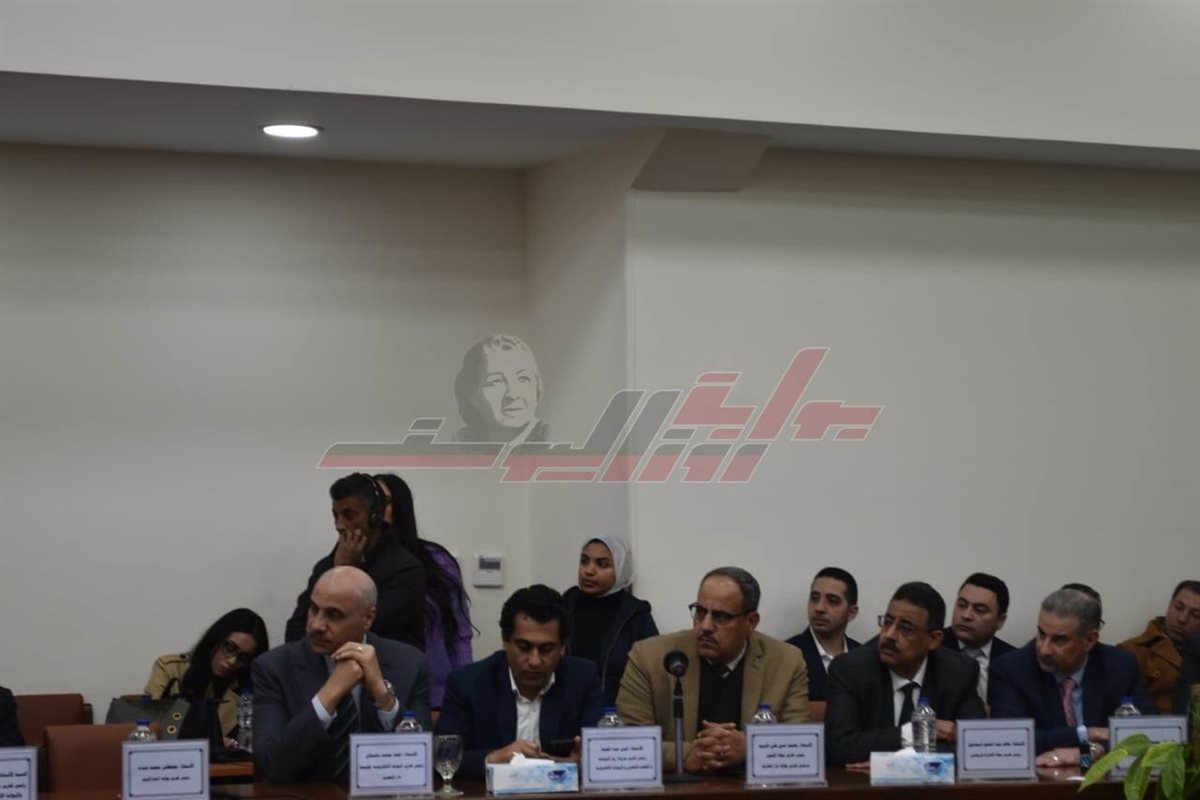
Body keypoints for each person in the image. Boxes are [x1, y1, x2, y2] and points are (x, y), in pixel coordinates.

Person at [617, 567, 809, 775]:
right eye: (700, 612)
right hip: (678, 789)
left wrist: (750, 749)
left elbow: (800, 745)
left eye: (721, 617)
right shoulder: (649, 657)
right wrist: (688, 755)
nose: (705, 626)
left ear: (751, 622)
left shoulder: (786, 662)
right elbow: (629, 743)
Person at [254, 566, 431, 784]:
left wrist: (381, 694)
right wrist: (329, 694)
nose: (317, 625)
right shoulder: (274, 667)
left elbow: (423, 762)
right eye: (313, 609)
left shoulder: (409, 664)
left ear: (368, 617)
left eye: (334, 615)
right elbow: (272, 765)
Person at [435, 585, 603, 779]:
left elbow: (600, 754)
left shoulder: (583, 679)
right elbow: (442, 756)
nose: (534, 661)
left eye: (547, 649)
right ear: (505, 641)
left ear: (563, 647)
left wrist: (577, 765)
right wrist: (494, 758)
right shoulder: (467, 683)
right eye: (524, 647)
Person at [825, 582, 985, 766]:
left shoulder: (959, 672)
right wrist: (914, 733)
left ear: (933, 639)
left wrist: (893, 763)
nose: (889, 635)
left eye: (906, 628)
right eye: (887, 622)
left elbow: (976, 748)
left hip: (934, 784)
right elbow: (837, 746)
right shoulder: (850, 669)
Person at [990, 588, 1155, 765]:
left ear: (1090, 640)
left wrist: (1091, 751)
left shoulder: (1119, 666)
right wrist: (1087, 733)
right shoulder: (1012, 669)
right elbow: (1011, 741)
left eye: (1059, 640)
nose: (1044, 649)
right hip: (1041, 776)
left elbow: (1148, 733)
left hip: (1103, 777)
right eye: (1041, 634)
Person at [285, 473, 426, 649]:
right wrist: (337, 570)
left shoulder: (406, 570)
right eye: (335, 515)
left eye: (349, 515)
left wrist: (344, 575)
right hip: (324, 664)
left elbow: (364, 632)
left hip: (381, 664)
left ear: (376, 517)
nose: (339, 525)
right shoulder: (327, 566)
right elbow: (294, 632)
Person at [373, 472, 475, 708]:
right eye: (371, 502)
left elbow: (460, 633)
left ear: (400, 507)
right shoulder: (353, 564)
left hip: (436, 694)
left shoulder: (437, 560)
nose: (377, 509)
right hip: (376, 694)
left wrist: (467, 692)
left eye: (384, 501)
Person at [144, 608, 269, 745]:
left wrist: (233, 743)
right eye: (229, 648)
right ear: (216, 639)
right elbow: (149, 729)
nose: (232, 661)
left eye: (243, 657)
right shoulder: (170, 669)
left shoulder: (246, 691)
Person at [562, 536, 658, 706]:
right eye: (584, 561)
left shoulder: (635, 615)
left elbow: (652, 671)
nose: (589, 571)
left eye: (602, 564)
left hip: (616, 714)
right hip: (566, 709)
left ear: (621, 570)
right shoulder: (566, 605)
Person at [1119, 580, 1200, 713]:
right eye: (1178, 608)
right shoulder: (1132, 651)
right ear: (1169, 607)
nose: (1182, 619)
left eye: (1196, 615)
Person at [453, 334, 549, 444]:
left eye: (523, 379)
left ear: (537, 387)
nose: (513, 394)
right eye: (496, 381)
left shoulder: (553, 439)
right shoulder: (460, 445)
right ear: (472, 396)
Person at [785, 567, 861, 704]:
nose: (819, 608)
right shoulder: (786, 654)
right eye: (814, 599)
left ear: (851, 613)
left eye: (832, 601)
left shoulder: (864, 657)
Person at [939, 573, 1015, 703]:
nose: (966, 615)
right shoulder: (932, 647)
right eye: (962, 605)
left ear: (1000, 621)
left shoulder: (1013, 662)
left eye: (979, 610)